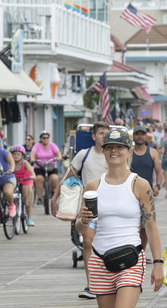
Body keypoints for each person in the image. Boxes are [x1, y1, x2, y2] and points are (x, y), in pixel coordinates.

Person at [75, 128, 164, 307]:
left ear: (129, 151)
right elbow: (81, 227)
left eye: (119, 147)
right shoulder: (93, 185)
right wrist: (83, 220)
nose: (114, 151)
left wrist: (158, 263)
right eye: (109, 147)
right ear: (103, 151)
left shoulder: (139, 184)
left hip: (130, 258)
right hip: (100, 261)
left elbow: (151, 226)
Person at [52, 122, 110, 300]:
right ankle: (91, 285)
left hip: (111, 206)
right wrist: (55, 197)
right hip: (89, 206)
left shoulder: (114, 155)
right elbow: (68, 175)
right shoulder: (84, 155)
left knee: (109, 245)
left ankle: (109, 281)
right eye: (100, 133)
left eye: (106, 133)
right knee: (87, 243)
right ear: (94, 136)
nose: (103, 136)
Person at [131, 125, 163, 256]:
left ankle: (141, 253)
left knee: (146, 226)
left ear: (146, 136)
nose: (140, 137)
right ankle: (133, 251)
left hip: (147, 194)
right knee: (134, 226)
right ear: (133, 137)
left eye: (142, 134)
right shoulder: (129, 152)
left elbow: (159, 171)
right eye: (137, 134)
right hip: (131, 193)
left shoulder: (152, 152)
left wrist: (158, 186)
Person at [31, 130, 62, 206]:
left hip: (51, 166)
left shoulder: (53, 145)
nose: (46, 139)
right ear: (41, 139)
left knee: (54, 178)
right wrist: (33, 159)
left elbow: (59, 155)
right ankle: (39, 198)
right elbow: (32, 156)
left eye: (47, 138)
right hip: (39, 166)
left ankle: (51, 191)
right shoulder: (37, 146)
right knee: (39, 179)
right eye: (44, 138)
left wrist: (58, 158)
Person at [10, 145, 36, 226]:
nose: (16, 156)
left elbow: (33, 175)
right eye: (14, 154)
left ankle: (29, 217)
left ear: (22, 156)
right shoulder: (11, 163)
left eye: (18, 154)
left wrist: (30, 177)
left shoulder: (25, 163)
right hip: (15, 181)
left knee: (27, 194)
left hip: (26, 181)